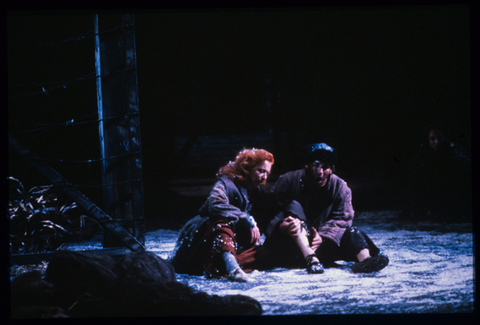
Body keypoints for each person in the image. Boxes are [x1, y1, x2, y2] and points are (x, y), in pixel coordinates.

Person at [263, 143, 389, 274]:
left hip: (322, 244)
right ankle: (310, 258)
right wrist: (281, 225)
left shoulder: (339, 187)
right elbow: (270, 210)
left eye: (325, 167)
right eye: (316, 165)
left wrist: (323, 237)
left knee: (352, 232)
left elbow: (342, 218)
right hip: (293, 242)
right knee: (293, 207)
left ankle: (365, 260)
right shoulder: (288, 181)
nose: (320, 172)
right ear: (306, 165)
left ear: (332, 169)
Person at [169, 148, 274, 282]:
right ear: (248, 168)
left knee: (264, 253)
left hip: (226, 243)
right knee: (221, 221)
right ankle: (233, 270)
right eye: (260, 171)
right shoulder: (226, 182)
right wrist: (246, 218)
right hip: (204, 233)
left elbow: (267, 209)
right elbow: (215, 203)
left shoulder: (254, 189)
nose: (264, 177)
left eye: (267, 173)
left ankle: (221, 265)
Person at [405, 121, 471, 222]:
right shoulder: (421, 158)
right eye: (433, 139)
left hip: (450, 206)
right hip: (429, 207)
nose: (437, 142)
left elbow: (467, 161)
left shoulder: (450, 154)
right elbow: (416, 187)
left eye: (439, 138)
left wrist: (453, 145)